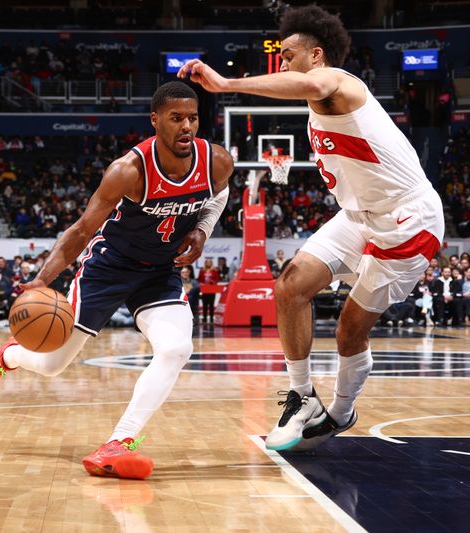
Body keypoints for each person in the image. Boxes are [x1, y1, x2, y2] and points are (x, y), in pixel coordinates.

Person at [178, 5, 444, 451]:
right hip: (360, 217)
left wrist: (226, 84)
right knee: (290, 285)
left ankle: (340, 412)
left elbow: (313, 83)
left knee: (348, 331)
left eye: (286, 56)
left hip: (407, 220)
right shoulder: (316, 106)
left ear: (316, 55)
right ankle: (302, 397)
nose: (281, 64)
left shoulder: (338, 82)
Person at [0, 81, 233, 479]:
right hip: (109, 266)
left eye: (193, 118)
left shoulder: (216, 161)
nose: (187, 127)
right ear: (155, 120)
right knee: (54, 364)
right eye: (176, 118)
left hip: (159, 271)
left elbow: (219, 195)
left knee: (176, 349)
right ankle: (9, 356)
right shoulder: (128, 171)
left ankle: (120, 442)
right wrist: (41, 280)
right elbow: (80, 231)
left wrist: (202, 231)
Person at [197, 258, 220, 323]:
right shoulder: (202, 270)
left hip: (212, 290)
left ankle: (212, 318)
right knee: (204, 304)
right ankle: (204, 318)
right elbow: (199, 279)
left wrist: (213, 282)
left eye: (210, 262)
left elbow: (217, 279)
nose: (208, 263)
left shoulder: (214, 271)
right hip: (204, 290)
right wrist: (201, 283)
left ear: (211, 263)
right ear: (205, 263)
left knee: (211, 305)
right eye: (207, 262)